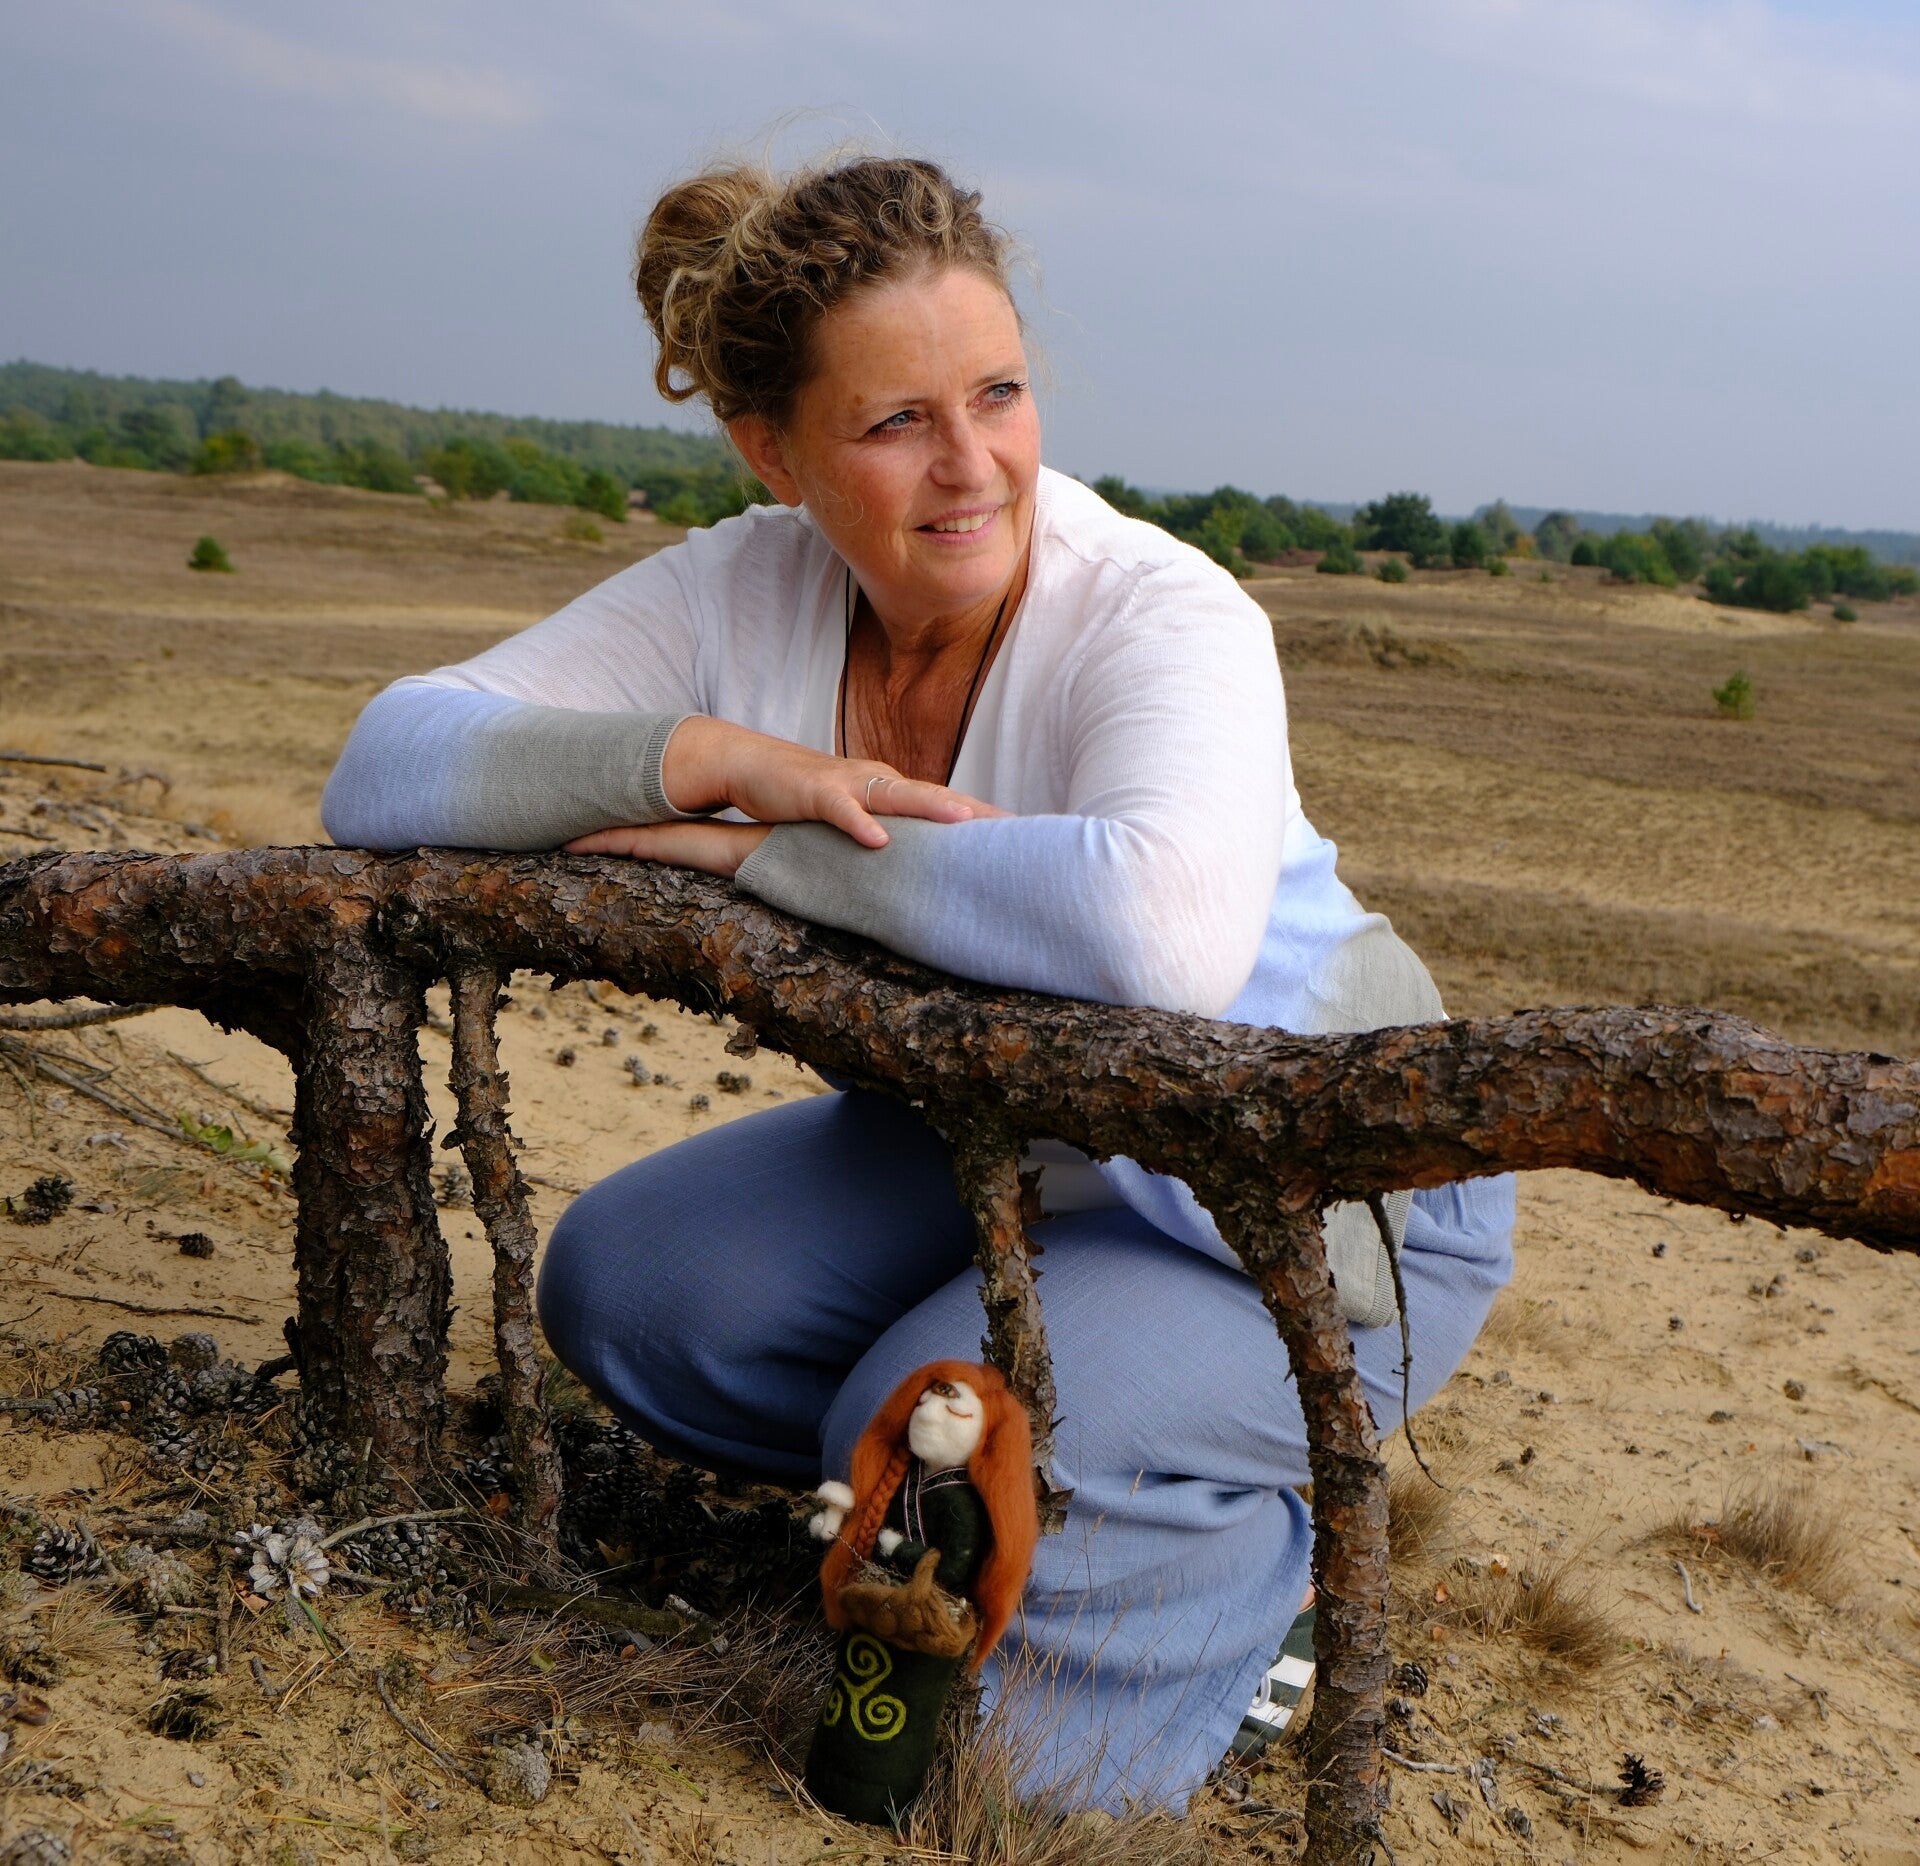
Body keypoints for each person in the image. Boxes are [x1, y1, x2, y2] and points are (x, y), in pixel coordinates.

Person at [319, 152, 1515, 1814]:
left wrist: (763, 844)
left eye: (1002, 395)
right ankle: (1020, 1467)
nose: (976, 467)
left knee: (948, 1687)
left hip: (1319, 1202)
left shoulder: (1162, 611)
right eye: (896, 424)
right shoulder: (741, 587)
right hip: (1002, 1147)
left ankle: (1263, 1569)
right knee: (632, 1289)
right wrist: (719, 751)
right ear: (775, 451)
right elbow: (386, 764)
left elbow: (1150, 935)